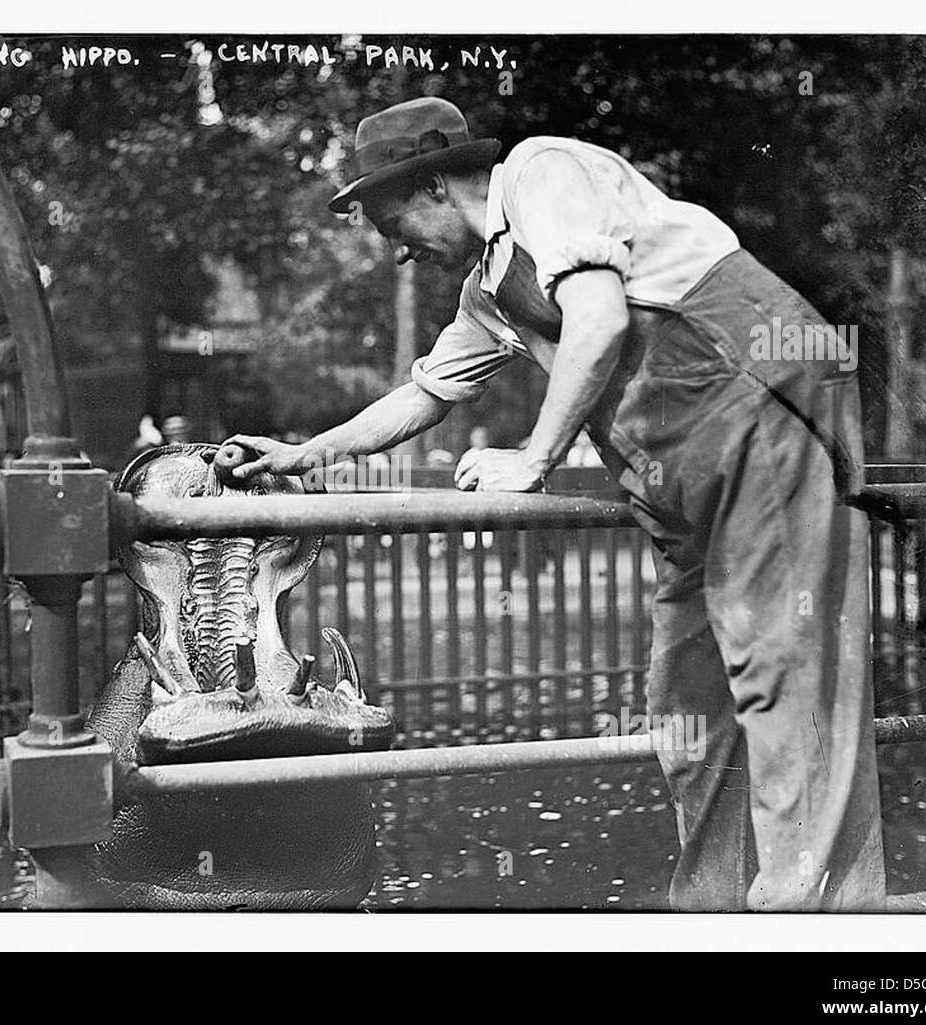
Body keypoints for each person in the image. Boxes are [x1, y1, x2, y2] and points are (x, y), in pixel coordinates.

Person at [224, 97, 884, 911]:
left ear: (433, 185)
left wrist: (533, 459)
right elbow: (425, 393)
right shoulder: (490, 289)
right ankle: (708, 910)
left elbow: (600, 319)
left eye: (389, 222)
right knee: (687, 707)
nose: (395, 253)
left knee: (784, 678)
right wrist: (306, 452)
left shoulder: (541, 173)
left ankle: (812, 917)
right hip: (680, 472)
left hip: (761, 409)